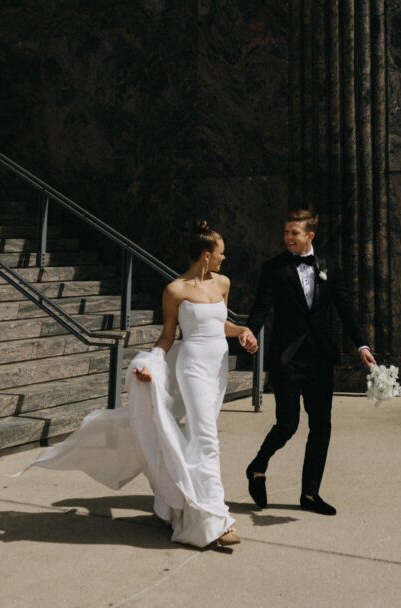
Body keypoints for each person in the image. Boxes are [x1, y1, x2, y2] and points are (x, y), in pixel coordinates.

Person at [28, 221, 257, 551]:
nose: (226, 257)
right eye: (221, 252)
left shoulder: (223, 283)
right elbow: (167, 337)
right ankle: (216, 518)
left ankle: (180, 506)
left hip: (216, 368)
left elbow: (221, 326)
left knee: (198, 436)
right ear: (207, 255)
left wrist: (244, 332)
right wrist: (150, 364)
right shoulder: (175, 290)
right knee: (207, 436)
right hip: (191, 367)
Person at [245, 209, 376, 516]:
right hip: (287, 357)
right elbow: (261, 306)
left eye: (294, 233)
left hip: (319, 357)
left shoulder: (328, 266)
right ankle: (257, 466)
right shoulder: (273, 268)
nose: (288, 237)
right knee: (288, 423)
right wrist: (250, 332)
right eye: (286, 232)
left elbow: (346, 308)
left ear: (310, 236)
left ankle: (310, 494)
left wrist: (361, 344)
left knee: (321, 425)